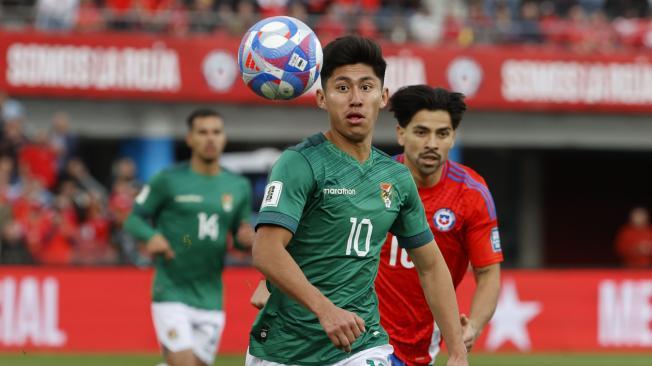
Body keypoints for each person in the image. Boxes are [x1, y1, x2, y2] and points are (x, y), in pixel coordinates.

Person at [246, 36, 467, 366]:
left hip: (362, 345)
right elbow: (266, 250)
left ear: (383, 97)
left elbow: (432, 266)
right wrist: (326, 310)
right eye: (342, 87)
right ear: (322, 98)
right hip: (285, 349)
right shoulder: (298, 164)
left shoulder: (396, 179)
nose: (355, 99)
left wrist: (458, 352)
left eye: (366, 87)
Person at [376, 85, 503, 366]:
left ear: (453, 138)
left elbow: (488, 272)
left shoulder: (471, 193)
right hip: (365, 339)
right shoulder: (374, 182)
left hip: (422, 346)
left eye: (442, 134)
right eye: (421, 132)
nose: (432, 143)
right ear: (401, 134)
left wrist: (474, 326)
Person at [125, 108, 254, 366]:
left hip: (211, 294)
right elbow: (133, 219)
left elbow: (239, 238)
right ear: (190, 138)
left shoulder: (238, 186)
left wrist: (246, 238)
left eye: (216, 132)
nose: (210, 138)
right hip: (171, 289)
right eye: (202, 132)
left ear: (224, 138)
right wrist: (151, 236)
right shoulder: (168, 180)